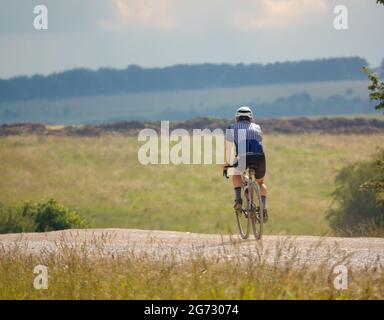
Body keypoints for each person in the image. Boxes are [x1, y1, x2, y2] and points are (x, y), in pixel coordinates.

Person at [223, 106, 268, 221]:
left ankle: (238, 200)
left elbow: (228, 149)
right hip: (259, 157)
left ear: (237, 118)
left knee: (236, 174)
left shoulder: (231, 128)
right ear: (250, 119)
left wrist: (226, 165)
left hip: (243, 156)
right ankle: (263, 208)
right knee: (261, 182)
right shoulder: (257, 127)